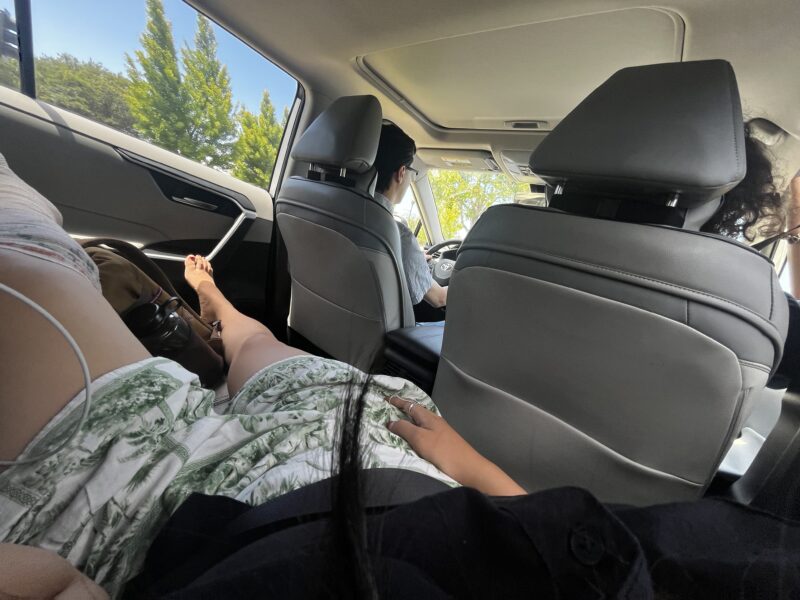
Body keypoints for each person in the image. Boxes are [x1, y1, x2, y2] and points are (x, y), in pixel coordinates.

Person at [0, 152, 520, 598]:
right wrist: (470, 463)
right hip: (374, 436)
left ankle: (219, 310)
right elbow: (562, 534)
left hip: (136, 500)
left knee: (26, 244)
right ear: (401, 174)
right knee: (257, 343)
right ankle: (216, 303)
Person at [373, 123, 448, 319]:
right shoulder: (398, 236)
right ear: (401, 173)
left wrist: (414, 260)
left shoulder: (342, 212)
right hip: (388, 341)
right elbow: (439, 298)